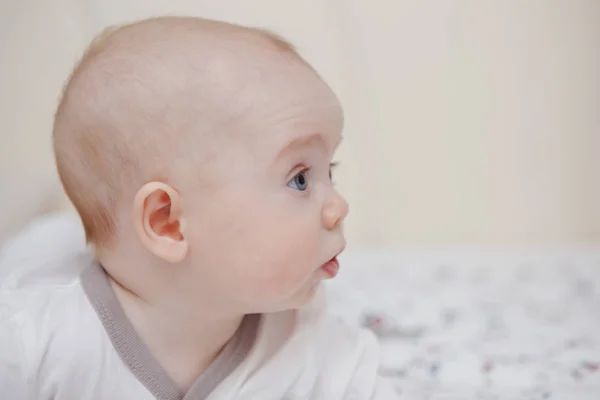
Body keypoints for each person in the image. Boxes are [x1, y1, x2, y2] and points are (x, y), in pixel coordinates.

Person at [0, 16, 399, 399]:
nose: (338, 207)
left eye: (329, 170)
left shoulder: (302, 337)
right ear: (168, 223)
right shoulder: (35, 347)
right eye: (299, 178)